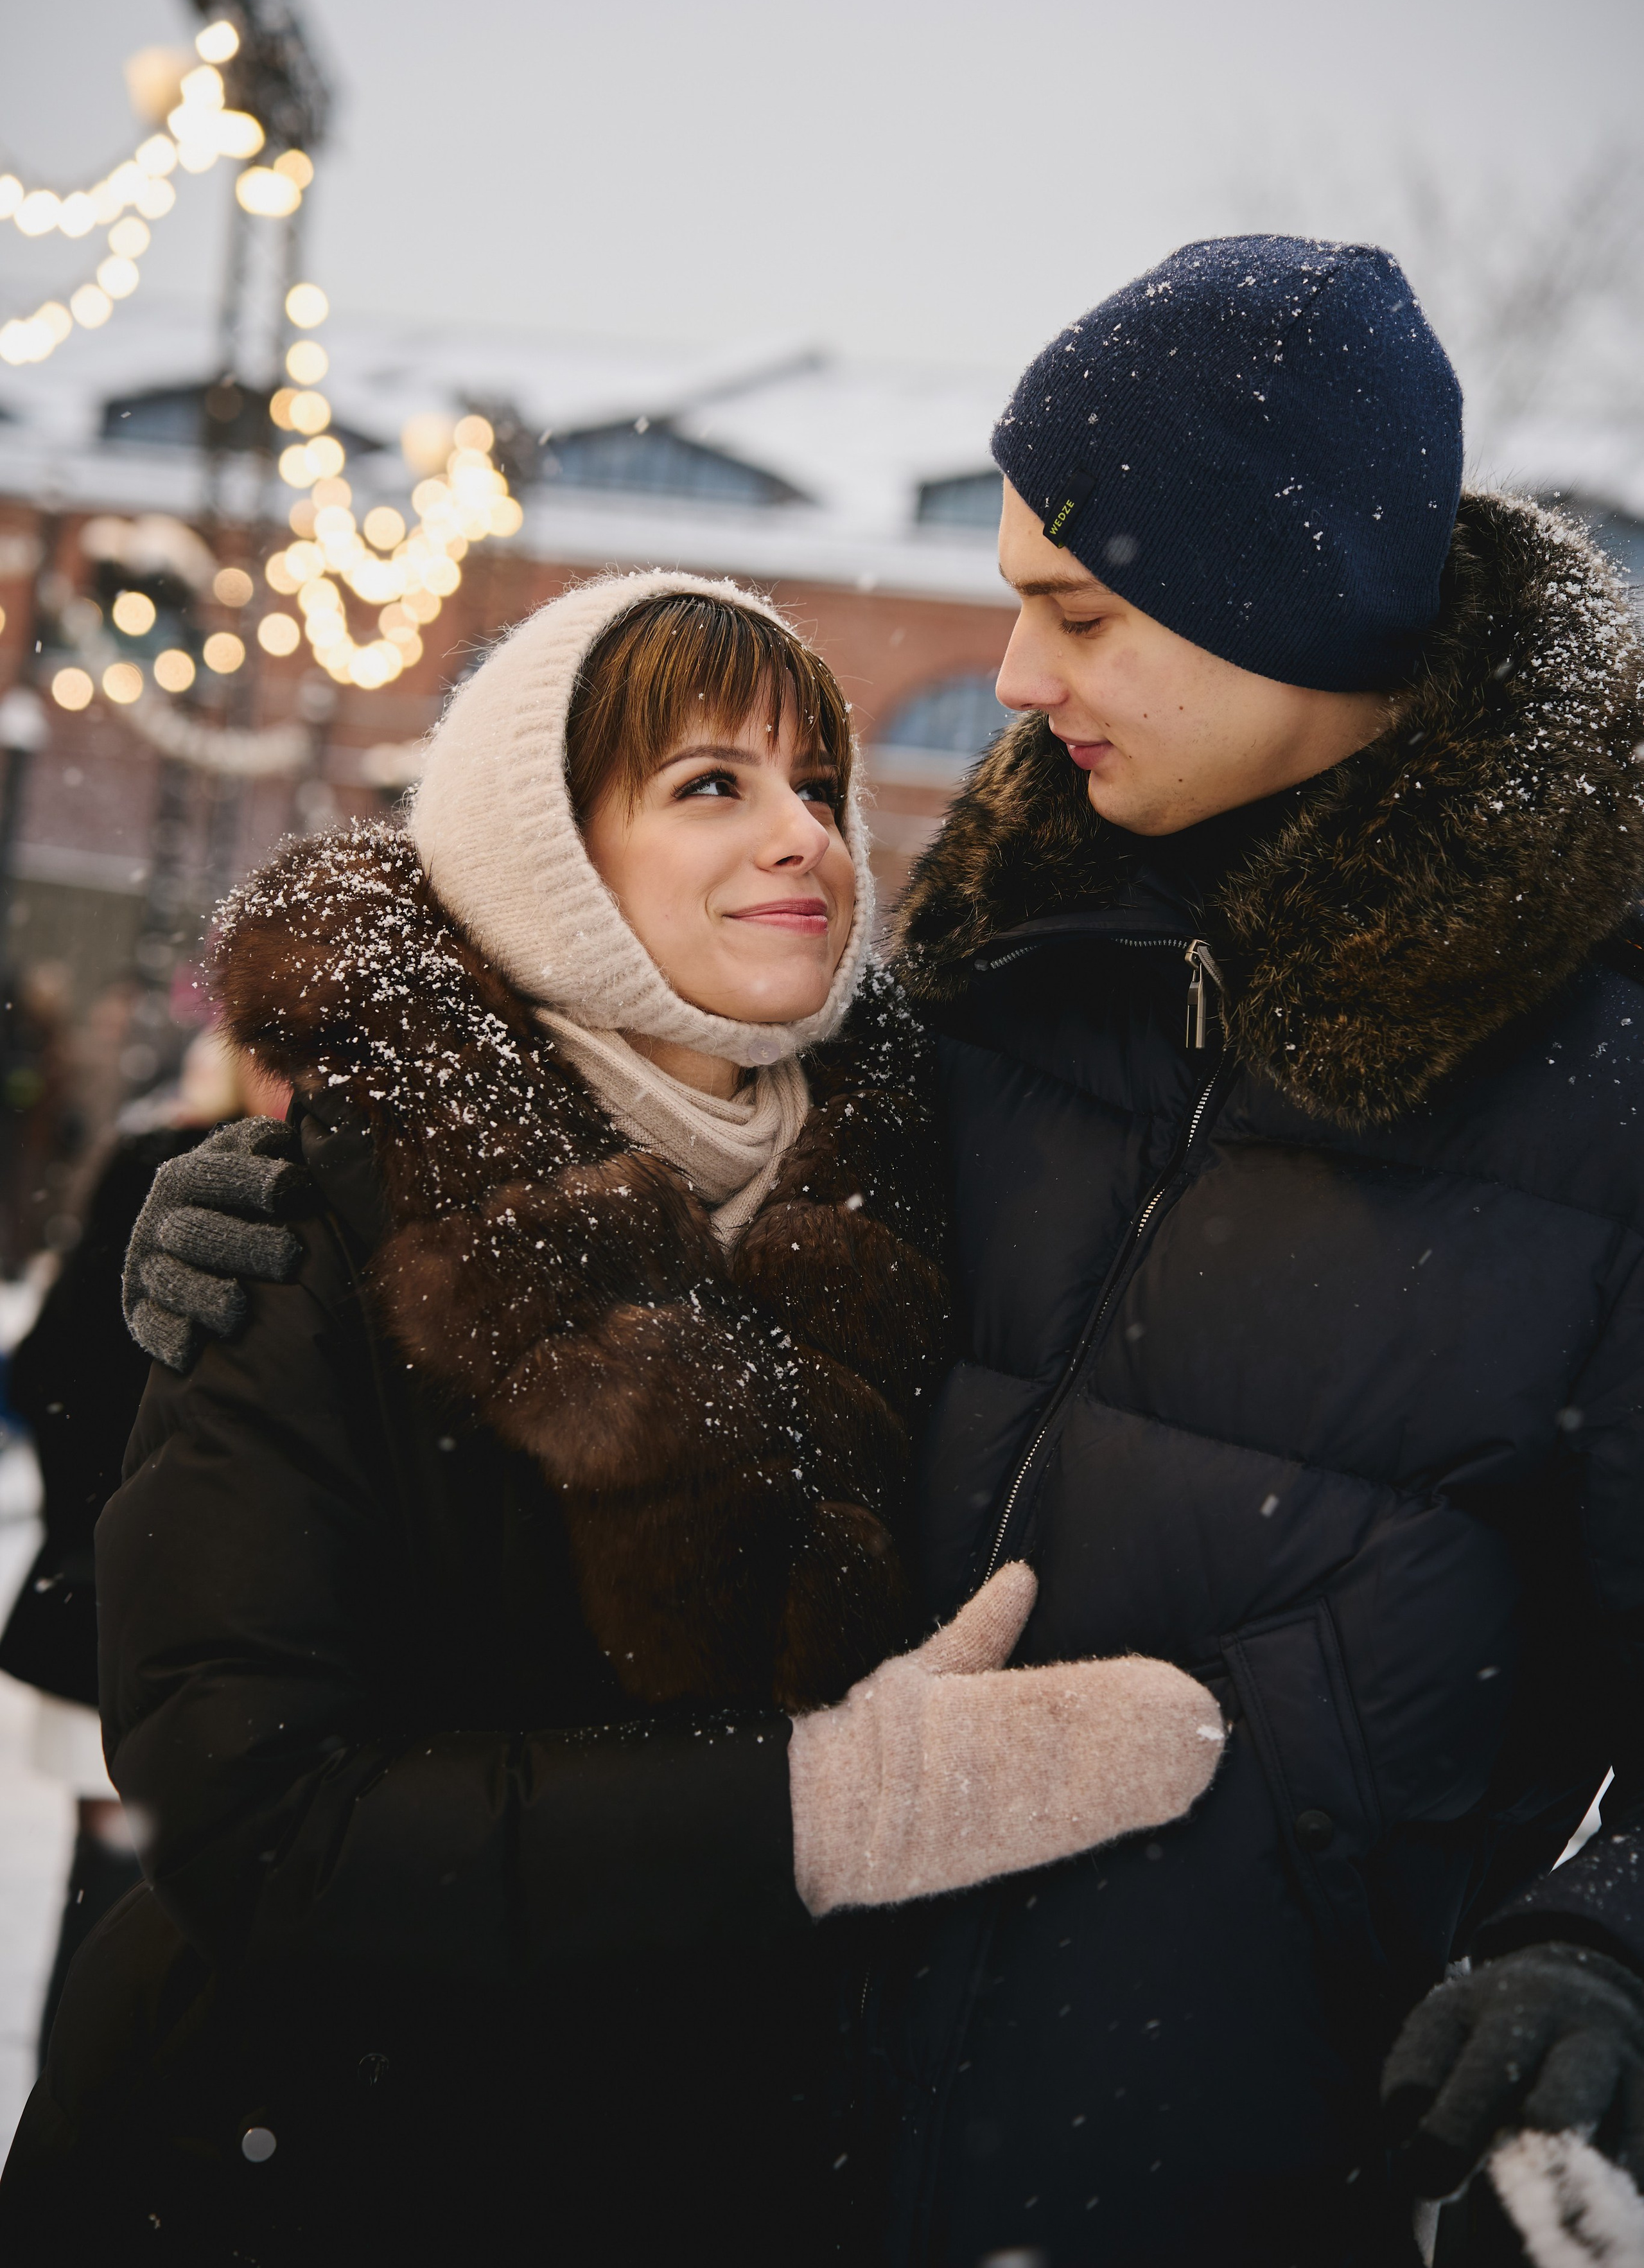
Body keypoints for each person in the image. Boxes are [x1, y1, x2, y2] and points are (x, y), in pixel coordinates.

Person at [1, 573, 1222, 2266]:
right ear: (547, 851)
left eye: (819, 785)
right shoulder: (322, 1232)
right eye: (711, 783)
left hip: (712, 2176)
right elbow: (257, 1821)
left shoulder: (930, 1201)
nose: (804, 837)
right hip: (300, 2170)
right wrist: (823, 1805)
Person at [874, 237, 1644, 2265]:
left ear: (1290, 599)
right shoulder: (993, 975)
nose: (1016, 680)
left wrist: (1605, 1946)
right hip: (796, 2111)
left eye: (1080, 613)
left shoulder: (1605, 1083)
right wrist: (329, 1210)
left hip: (1247, 2170)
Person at [0, 1028, 288, 2061]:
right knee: (137, 1904)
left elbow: (51, 1373)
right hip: (145, 1598)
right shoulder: (178, 1169)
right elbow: (58, 1374)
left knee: (134, 1901)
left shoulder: (180, 1163)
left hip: (147, 1597)